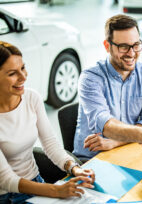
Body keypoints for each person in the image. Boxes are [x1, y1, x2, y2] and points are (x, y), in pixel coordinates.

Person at [0, 41, 95, 203]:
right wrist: (56, 190)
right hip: (7, 196)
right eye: (12, 73)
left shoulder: (31, 98)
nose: (23, 77)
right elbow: (6, 180)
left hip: (37, 182)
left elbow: (50, 143)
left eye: (23, 68)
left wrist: (74, 168)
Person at [73, 14, 142, 159]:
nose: (131, 53)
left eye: (136, 45)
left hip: (127, 153)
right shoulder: (90, 78)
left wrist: (115, 142)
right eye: (124, 47)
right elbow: (106, 125)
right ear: (107, 46)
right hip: (91, 160)